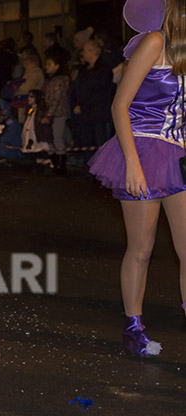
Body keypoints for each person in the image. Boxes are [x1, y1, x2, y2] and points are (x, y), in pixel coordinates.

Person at [89, 0, 186, 357]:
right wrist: (131, 162)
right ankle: (133, 328)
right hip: (142, 150)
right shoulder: (155, 42)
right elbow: (120, 105)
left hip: (179, 154)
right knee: (142, 248)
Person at [42, 52, 71, 174]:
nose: (46, 67)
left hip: (58, 113)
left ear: (57, 66)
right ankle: (55, 161)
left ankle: (60, 164)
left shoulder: (59, 81)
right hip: (53, 112)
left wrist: (49, 114)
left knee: (58, 137)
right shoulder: (51, 80)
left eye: (49, 64)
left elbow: (57, 99)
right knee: (54, 136)